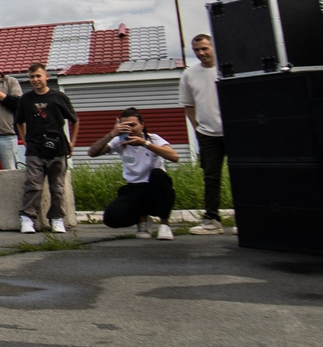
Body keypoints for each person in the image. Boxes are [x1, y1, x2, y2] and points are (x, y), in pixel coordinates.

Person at [91, 108, 180, 239]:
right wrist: (112, 134)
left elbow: (174, 157)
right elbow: (92, 152)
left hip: (154, 186)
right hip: (134, 188)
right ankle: (142, 219)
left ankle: (164, 224)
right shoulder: (120, 142)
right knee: (111, 218)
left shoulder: (153, 139)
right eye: (125, 126)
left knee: (159, 175)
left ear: (142, 125)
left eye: (133, 125)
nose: (130, 129)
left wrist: (144, 143)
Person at [14, 62, 79, 235]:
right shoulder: (26, 99)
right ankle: (28, 218)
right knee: (33, 184)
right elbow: (19, 121)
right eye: (32, 77)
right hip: (35, 147)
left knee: (57, 187)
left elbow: (74, 119)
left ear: (46, 77)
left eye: (38, 76)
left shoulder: (58, 97)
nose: (35, 80)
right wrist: (25, 140)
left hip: (57, 146)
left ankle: (57, 218)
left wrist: (72, 142)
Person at [180, 32, 228, 233]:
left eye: (205, 48)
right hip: (207, 133)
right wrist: (197, 129)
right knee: (211, 177)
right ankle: (212, 219)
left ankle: (247, 217)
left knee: (242, 174)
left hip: (233, 130)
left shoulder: (226, 68)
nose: (201, 53)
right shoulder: (189, 74)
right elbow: (188, 105)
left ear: (213, 48)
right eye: (197, 50)